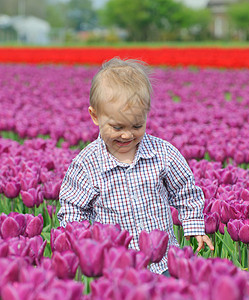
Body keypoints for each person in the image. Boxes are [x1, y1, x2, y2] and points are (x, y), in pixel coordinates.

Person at [57, 57, 214, 275]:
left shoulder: (162, 153)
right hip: (117, 267)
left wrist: (194, 225)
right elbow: (73, 209)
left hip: (164, 263)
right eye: (117, 126)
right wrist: (83, 243)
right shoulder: (87, 164)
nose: (127, 134)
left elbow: (185, 191)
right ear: (95, 116)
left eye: (137, 125)